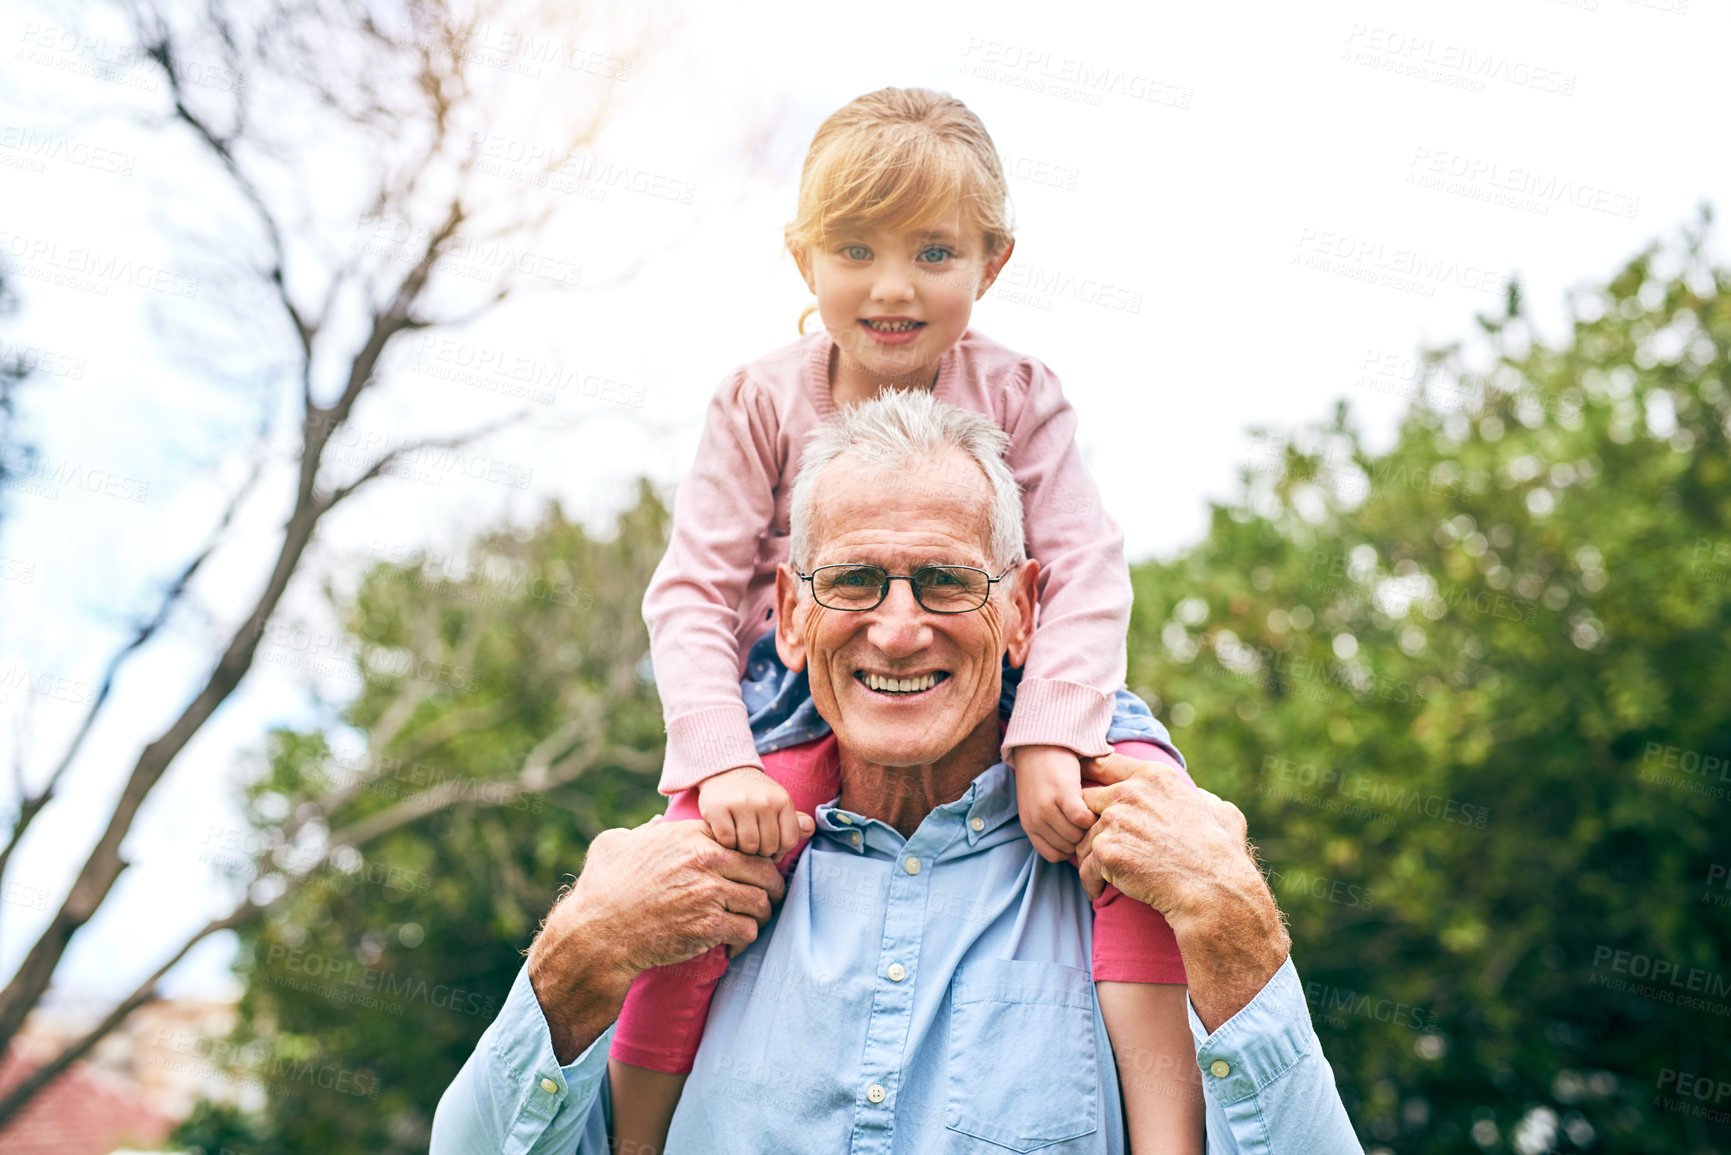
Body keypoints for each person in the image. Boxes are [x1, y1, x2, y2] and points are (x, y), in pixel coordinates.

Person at [431, 391, 1364, 1153]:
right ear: (791, 617)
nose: (899, 626)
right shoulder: (681, 895)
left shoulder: (1135, 874)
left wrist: (1240, 929)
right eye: (853, 581)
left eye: (948, 581)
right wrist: (577, 956)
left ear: (1026, 610)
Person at [620, 86, 1201, 1151]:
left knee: (1148, 823)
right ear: (804, 260)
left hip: (1022, 664)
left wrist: (1051, 738)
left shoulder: (1020, 392)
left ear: (994, 262)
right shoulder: (757, 402)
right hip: (804, 688)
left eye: (935, 254)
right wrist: (723, 763)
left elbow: (1084, 573)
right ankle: (636, 1132)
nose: (894, 288)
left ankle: (1168, 1128)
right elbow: (695, 593)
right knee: (689, 879)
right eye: (856, 249)